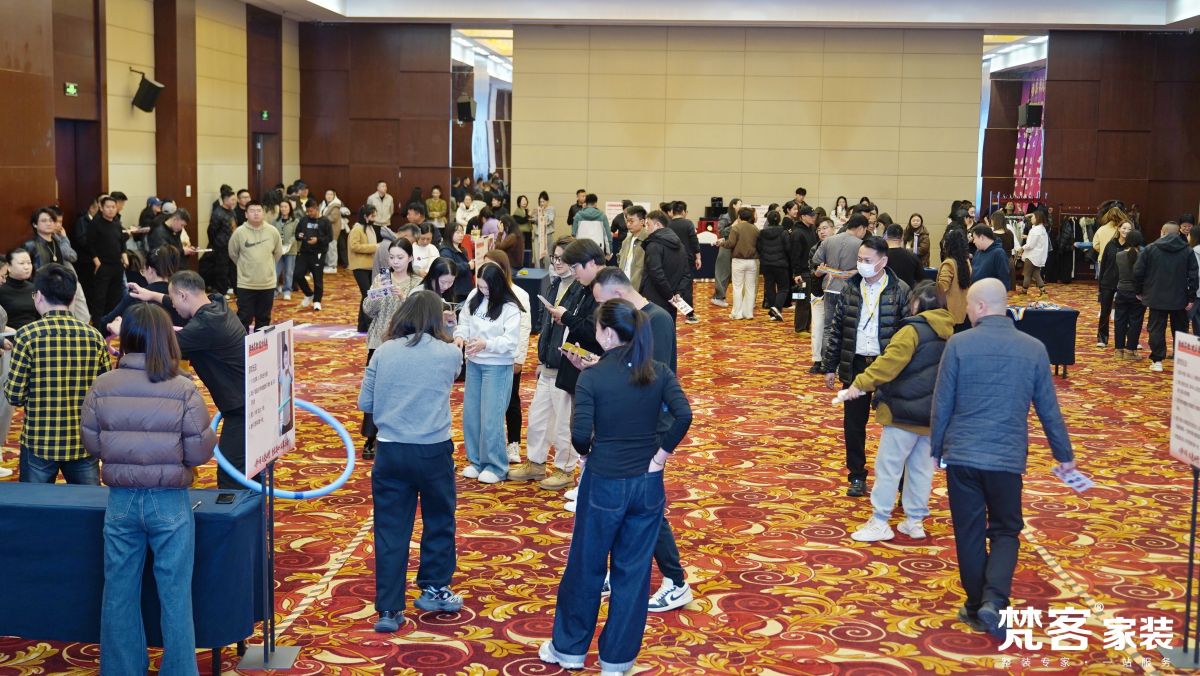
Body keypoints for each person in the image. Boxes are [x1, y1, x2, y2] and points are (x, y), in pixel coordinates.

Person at [539, 299, 692, 675]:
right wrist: (660, 457)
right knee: (633, 573)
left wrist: (585, 455)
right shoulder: (657, 371)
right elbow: (683, 415)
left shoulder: (593, 376)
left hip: (604, 482)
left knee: (586, 566)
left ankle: (570, 649)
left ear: (608, 334)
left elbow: (579, 434)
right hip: (647, 484)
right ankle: (616, 661)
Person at [931, 278, 1077, 637]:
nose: (966, 310)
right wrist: (1064, 455)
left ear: (981, 306)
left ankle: (974, 604)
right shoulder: (1034, 348)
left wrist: (937, 448)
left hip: (963, 455)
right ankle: (994, 600)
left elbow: (942, 402)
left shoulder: (959, 344)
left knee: (968, 532)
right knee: (1006, 530)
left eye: (969, 304)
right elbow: (1048, 409)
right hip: (1006, 458)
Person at [82, 302, 216, 675]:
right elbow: (200, 451)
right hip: (169, 500)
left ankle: (120, 669)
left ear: (126, 338)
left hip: (121, 500)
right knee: (175, 595)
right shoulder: (182, 388)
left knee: (118, 591)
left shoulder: (103, 385)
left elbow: (92, 444)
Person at [360, 290, 466, 632]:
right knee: (439, 520)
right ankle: (434, 589)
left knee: (390, 530)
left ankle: (389, 609)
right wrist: (453, 331)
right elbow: (455, 372)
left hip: (390, 451)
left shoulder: (384, 351)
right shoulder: (449, 353)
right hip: (433, 450)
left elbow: (365, 403)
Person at [590, 268, 692, 611]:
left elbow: (652, 376)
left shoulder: (656, 320)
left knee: (648, 509)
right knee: (624, 504)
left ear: (618, 294)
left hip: (650, 428)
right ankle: (621, 569)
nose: (601, 313)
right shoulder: (635, 320)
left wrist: (660, 451)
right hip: (629, 425)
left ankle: (676, 581)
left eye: (603, 303)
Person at [842, 281, 951, 542]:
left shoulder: (912, 331)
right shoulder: (951, 332)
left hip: (902, 412)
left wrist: (859, 384)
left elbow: (888, 364)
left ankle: (880, 520)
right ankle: (914, 521)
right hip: (932, 415)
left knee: (889, 468)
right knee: (921, 471)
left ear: (919, 303)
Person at [128, 271, 248, 489]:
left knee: (231, 478)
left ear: (183, 295)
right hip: (249, 399)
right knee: (248, 468)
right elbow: (178, 307)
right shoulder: (217, 303)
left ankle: (241, 510)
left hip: (241, 409)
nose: (173, 306)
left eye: (174, 299)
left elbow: (162, 346)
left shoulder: (205, 326)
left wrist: (123, 330)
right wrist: (151, 295)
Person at [824, 236, 912, 498]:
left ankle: (901, 482)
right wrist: (830, 365)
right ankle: (856, 476)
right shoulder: (850, 288)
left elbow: (909, 332)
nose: (861, 264)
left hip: (889, 367)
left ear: (883, 262)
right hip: (857, 365)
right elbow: (837, 328)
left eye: (867, 260)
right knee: (853, 425)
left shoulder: (900, 290)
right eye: (859, 259)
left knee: (896, 427)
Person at [6, 264, 111, 484]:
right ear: (72, 298)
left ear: (39, 296)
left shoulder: (26, 336)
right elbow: (105, 394)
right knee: (88, 502)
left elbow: (14, 395)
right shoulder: (94, 337)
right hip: (83, 441)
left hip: (39, 440)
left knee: (35, 504)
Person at [510, 238, 579, 487]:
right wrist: (541, 360)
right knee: (538, 419)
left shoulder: (581, 289)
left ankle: (565, 469)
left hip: (567, 364)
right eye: (555, 258)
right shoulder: (555, 284)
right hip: (548, 362)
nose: (557, 263)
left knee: (563, 423)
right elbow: (546, 325)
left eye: (563, 258)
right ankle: (536, 463)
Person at [455, 263, 526, 483]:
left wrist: (486, 344)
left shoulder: (510, 307)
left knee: (491, 418)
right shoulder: (474, 296)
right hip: (474, 363)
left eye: (487, 288)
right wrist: (460, 336)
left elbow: (510, 341)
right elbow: (464, 321)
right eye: (480, 286)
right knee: (472, 416)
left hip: (497, 365)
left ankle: (496, 466)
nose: (483, 291)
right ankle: (476, 461)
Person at [362, 240, 424, 458]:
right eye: (392, 257)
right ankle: (371, 437)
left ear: (410, 258)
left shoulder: (417, 282)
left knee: (402, 390)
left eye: (400, 257)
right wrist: (377, 292)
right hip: (379, 342)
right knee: (374, 389)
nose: (395, 262)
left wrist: (404, 298)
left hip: (405, 343)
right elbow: (368, 310)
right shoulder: (381, 279)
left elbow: (420, 314)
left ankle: (401, 433)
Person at [481, 250, 533, 466]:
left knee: (511, 399)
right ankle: (490, 444)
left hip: (509, 356)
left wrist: (519, 358)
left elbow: (524, 327)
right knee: (487, 403)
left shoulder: (519, 294)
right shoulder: (481, 293)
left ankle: (513, 443)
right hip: (486, 355)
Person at [1135, 222, 1199, 372]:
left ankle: (1157, 360)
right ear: (1178, 233)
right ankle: (1180, 359)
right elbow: (1193, 276)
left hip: (1155, 296)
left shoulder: (1150, 249)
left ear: (1162, 232)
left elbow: (1138, 272)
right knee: (1181, 329)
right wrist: (1191, 297)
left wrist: (1139, 291)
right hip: (1180, 297)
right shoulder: (1187, 251)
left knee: (1156, 328)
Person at [227, 201, 284, 332]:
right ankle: (241, 343)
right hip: (246, 283)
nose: (256, 214)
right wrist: (245, 266)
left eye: (259, 211)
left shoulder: (272, 231)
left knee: (264, 318)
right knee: (244, 317)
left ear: (263, 213)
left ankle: (261, 344)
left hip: (267, 283)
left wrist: (266, 265)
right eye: (252, 211)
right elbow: (233, 253)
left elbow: (278, 253)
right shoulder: (239, 232)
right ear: (246, 214)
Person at [813, 214, 870, 344]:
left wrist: (829, 269)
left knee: (828, 328)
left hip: (829, 287)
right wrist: (855, 271)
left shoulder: (828, 241)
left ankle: (825, 357)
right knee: (847, 328)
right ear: (861, 228)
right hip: (850, 289)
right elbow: (867, 266)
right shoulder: (861, 245)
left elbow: (816, 261)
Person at [103, 245, 186, 330]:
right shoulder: (183, 298)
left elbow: (105, 323)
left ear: (150, 270)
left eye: (143, 270)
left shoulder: (135, 296)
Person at [639, 210, 690, 320]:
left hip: (654, 300)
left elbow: (656, 273)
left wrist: (670, 296)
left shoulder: (653, 245)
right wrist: (678, 294)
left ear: (657, 225)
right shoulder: (680, 245)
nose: (646, 228)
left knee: (652, 328)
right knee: (668, 327)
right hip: (673, 301)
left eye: (648, 224)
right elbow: (686, 273)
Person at [87, 195, 130, 320]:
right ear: (101, 208)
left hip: (117, 265)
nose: (111, 209)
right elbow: (89, 244)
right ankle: (98, 325)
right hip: (103, 265)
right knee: (100, 298)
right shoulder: (95, 223)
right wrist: (96, 262)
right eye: (108, 207)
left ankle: (112, 323)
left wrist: (124, 257)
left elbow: (121, 242)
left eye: (113, 207)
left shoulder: (116, 223)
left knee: (116, 297)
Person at [1097, 220, 1134, 347]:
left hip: (1125, 283)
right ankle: (1102, 338)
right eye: (1124, 228)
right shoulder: (1111, 244)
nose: (1126, 231)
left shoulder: (1132, 247)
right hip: (1108, 282)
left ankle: (1130, 338)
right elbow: (1103, 265)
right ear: (1118, 228)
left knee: (1126, 313)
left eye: (1129, 229)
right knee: (1105, 311)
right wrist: (1100, 285)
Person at [806, 218, 834, 371]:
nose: (822, 232)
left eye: (825, 228)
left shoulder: (838, 247)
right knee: (817, 327)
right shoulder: (814, 249)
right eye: (819, 229)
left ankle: (831, 361)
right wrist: (819, 272)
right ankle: (817, 360)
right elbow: (811, 272)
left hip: (836, 293)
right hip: (818, 293)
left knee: (833, 328)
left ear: (833, 229)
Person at [723, 206, 761, 320]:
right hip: (752, 261)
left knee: (737, 287)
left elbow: (730, 243)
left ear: (739, 216)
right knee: (750, 288)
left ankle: (737, 313)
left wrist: (721, 243)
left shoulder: (736, 228)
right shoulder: (755, 229)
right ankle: (748, 313)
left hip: (738, 261)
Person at [294, 198, 332, 311]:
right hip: (304, 252)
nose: (309, 213)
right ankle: (308, 293)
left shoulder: (325, 221)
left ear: (316, 209)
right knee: (297, 274)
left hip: (318, 253)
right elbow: (297, 233)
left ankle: (317, 301)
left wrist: (318, 240)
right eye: (307, 211)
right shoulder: (304, 220)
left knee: (317, 277)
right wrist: (299, 235)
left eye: (311, 211)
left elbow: (330, 237)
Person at [1113, 231, 1146, 360]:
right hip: (1137, 293)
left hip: (1121, 290)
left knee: (1119, 321)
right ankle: (1130, 350)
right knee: (1135, 322)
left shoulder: (1119, 255)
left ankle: (1118, 350)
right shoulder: (1143, 256)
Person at [667, 201, 701, 323]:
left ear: (672, 211)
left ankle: (669, 312)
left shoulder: (667, 224)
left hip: (670, 259)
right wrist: (698, 257)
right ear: (683, 212)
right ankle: (689, 315)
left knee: (671, 285)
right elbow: (694, 241)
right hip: (686, 259)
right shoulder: (688, 223)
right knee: (686, 286)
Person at [787, 204, 819, 332]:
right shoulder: (797, 233)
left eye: (813, 215)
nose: (813, 218)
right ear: (803, 217)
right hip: (801, 273)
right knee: (801, 301)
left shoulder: (812, 229)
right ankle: (800, 328)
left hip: (811, 271)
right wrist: (796, 273)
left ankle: (806, 326)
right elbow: (794, 255)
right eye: (810, 216)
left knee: (809, 301)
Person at [349, 204, 380, 333]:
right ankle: (368, 324)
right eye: (372, 216)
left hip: (369, 266)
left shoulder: (370, 228)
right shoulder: (357, 229)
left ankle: (362, 326)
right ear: (365, 216)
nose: (374, 218)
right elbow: (354, 246)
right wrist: (374, 247)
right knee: (368, 295)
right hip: (360, 266)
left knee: (366, 295)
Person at [200, 190, 236, 296]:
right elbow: (211, 230)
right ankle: (222, 292)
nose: (234, 201)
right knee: (222, 270)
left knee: (232, 268)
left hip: (232, 245)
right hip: (221, 246)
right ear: (225, 199)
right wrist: (216, 243)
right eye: (232, 199)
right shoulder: (217, 213)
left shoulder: (232, 211)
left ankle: (233, 288)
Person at [937, 229, 973, 332]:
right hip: (964, 311)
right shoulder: (966, 262)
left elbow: (942, 288)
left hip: (949, 313)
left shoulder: (949, 264)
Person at [757, 210, 790, 321]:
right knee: (783, 288)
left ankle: (773, 312)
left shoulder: (762, 233)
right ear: (779, 219)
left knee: (769, 287)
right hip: (781, 264)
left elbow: (759, 248)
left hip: (766, 264)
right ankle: (777, 308)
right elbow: (788, 248)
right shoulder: (784, 232)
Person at [711, 198, 742, 308]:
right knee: (722, 272)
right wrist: (733, 225)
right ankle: (718, 297)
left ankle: (719, 296)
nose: (741, 206)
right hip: (725, 247)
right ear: (733, 205)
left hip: (734, 247)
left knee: (729, 274)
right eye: (739, 204)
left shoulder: (739, 217)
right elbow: (721, 232)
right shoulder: (725, 217)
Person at [969, 225, 1012, 290]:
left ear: (981, 237)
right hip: (977, 292)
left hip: (990, 294)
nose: (973, 241)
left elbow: (1004, 281)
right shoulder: (978, 252)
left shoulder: (999, 253)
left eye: (974, 238)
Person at [439, 223, 474, 301]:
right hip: (456, 291)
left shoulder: (462, 249)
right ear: (449, 233)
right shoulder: (445, 251)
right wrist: (468, 266)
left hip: (467, 288)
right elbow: (450, 268)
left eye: (462, 232)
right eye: (457, 232)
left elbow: (468, 270)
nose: (461, 235)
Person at [1017, 211, 1048, 295]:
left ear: (1037, 218)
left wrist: (1022, 248)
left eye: (1033, 217)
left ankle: (1024, 291)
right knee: (1036, 273)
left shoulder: (1036, 230)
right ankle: (1043, 290)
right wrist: (1028, 237)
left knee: (1027, 273)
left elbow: (1031, 245)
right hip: (1038, 255)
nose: (1031, 219)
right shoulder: (1041, 229)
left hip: (1032, 255)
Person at [617, 206, 648, 290]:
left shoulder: (648, 240)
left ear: (642, 222)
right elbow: (619, 258)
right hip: (623, 285)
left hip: (639, 288)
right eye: (627, 221)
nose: (628, 224)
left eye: (631, 221)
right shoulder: (626, 240)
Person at [273, 200, 299, 299]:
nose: (283, 209)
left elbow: (295, 234)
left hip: (290, 250)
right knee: (276, 271)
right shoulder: (275, 221)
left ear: (290, 208)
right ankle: (274, 290)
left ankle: (287, 290)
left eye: (286, 207)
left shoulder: (295, 221)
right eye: (281, 207)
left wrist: (288, 244)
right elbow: (272, 234)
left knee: (289, 272)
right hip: (278, 250)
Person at [882, 224, 921, 290]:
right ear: (902, 236)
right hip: (908, 294)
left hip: (885, 294)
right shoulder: (912, 256)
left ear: (886, 236)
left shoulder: (880, 256)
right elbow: (922, 280)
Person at [321, 189, 348, 273]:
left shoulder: (335, 206)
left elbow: (333, 218)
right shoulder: (325, 205)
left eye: (331, 194)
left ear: (334, 196)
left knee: (332, 249)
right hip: (326, 231)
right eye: (327, 194)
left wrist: (321, 218)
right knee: (328, 249)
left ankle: (333, 266)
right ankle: (328, 265)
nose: (328, 196)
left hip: (333, 230)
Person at [532, 191, 555, 268]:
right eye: (540, 202)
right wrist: (533, 215)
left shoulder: (551, 209)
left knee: (547, 254)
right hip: (538, 234)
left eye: (543, 201)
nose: (541, 203)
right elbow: (535, 221)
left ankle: (549, 271)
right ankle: (538, 271)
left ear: (547, 201)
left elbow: (549, 221)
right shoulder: (538, 209)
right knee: (537, 254)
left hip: (547, 234)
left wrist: (541, 213)